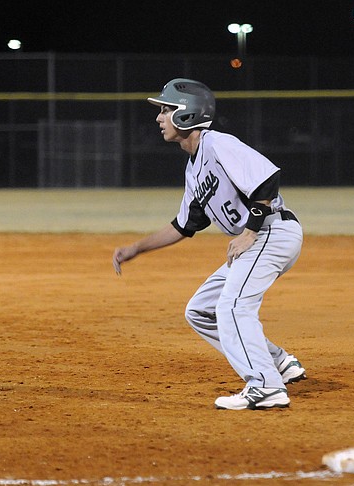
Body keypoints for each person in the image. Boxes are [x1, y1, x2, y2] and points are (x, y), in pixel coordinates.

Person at [112, 78, 306, 410]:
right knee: (199, 311)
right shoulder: (194, 168)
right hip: (262, 237)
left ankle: (265, 386)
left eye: (166, 110)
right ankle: (277, 363)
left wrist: (249, 231)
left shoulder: (217, 143)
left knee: (232, 306)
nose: (159, 118)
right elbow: (184, 225)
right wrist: (137, 248)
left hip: (270, 233)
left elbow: (266, 178)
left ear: (186, 114)